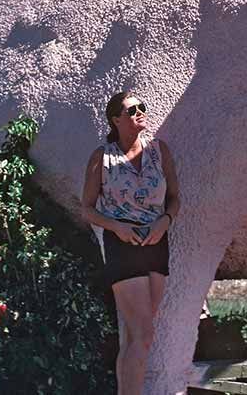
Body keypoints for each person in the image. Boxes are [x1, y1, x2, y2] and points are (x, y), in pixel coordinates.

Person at [80, 91, 181, 395]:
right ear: (116, 120)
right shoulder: (103, 156)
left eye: (142, 107)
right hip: (123, 245)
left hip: (156, 243)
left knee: (138, 337)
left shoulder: (159, 150)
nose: (140, 112)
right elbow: (87, 208)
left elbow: (175, 199)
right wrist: (117, 228)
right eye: (131, 109)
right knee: (142, 333)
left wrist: (165, 222)